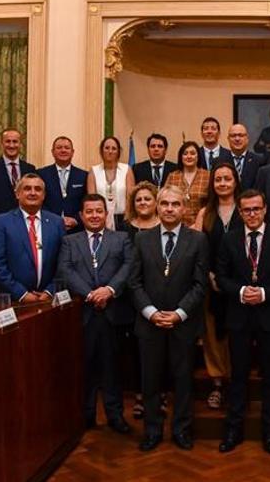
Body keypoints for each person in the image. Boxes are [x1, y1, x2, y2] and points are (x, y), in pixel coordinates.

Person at [128, 185, 209, 452]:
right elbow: (134, 282)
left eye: (175, 204)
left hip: (182, 323)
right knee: (150, 381)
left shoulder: (197, 240)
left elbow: (199, 285)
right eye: (165, 204)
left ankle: (182, 430)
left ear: (184, 209)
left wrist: (178, 314)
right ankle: (152, 431)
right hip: (149, 324)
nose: (170, 209)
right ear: (157, 207)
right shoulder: (142, 239)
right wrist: (151, 313)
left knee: (183, 380)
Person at [215, 189, 270, 454]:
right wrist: (240, 292)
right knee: (237, 377)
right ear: (240, 212)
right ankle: (233, 431)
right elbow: (222, 277)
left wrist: (263, 293)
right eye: (246, 210)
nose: (251, 214)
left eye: (256, 209)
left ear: (264, 210)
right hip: (238, 317)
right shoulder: (228, 240)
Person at [57, 193, 134, 434]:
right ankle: (86, 415)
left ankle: (115, 415)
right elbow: (65, 269)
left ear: (106, 213)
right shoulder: (70, 241)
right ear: (81, 215)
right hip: (84, 313)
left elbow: (128, 267)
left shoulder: (121, 239)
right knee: (85, 367)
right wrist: (91, 294)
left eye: (99, 211)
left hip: (113, 313)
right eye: (89, 211)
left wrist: (109, 291)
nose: (94, 215)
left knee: (113, 368)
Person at [192, 163, 241, 411]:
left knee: (236, 335)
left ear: (235, 182)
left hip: (239, 286)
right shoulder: (205, 213)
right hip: (211, 285)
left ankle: (236, 383)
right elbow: (199, 250)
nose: (222, 183)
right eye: (218, 179)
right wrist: (210, 275)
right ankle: (218, 383)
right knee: (212, 336)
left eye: (227, 179)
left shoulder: (245, 209)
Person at [0, 173, 65, 302]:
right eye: (27, 188)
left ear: (44, 195)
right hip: (12, 300)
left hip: (47, 300)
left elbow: (63, 262)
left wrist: (49, 291)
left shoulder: (56, 222)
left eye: (38, 189)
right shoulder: (1, 222)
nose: (33, 193)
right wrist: (22, 294)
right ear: (17, 194)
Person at [122, 180, 161, 420]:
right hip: (132, 296)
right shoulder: (125, 228)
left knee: (161, 349)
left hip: (161, 296)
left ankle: (161, 395)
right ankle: (140, 395)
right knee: (137, 350)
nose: (143, 202)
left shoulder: (165, 226)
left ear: (156, 202)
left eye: (148, 198)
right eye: (139, 199)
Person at [0, 127, 35, 237]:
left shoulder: (30, 169)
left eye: (15, 141)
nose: (11, 145)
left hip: (24, 226)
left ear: (20, 144)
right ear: (1, 144)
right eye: (8, 141)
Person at [37, 136, 88, 233]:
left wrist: (76, 220)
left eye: (67, 148)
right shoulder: (41, 174)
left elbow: (86, 202)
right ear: (52, 152)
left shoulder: (84, 175)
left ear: (72, 152)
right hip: (48, 227)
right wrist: (54, 220)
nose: (63, 150)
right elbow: (38, 201)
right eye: (59, 148)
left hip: (76, 230)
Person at [87, 136, 134, 230]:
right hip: (100, 219)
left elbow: (131, 196)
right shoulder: (93, 171)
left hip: (123, 218)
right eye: (107, 148)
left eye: (114, 148)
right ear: (101, 151)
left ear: (118, 152)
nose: (110, 151)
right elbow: (92, 199)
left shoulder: (126, 169)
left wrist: (127, 218)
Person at [165, 141, 210, 227]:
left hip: (202, 226)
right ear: (181, 157)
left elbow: (212, 203)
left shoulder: (208, 176)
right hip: (175, 225)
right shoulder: (173, 176)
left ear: (198, 157)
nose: (189, 156)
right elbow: (165, 199)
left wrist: (198, 224)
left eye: (193, 153)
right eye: (185, 154)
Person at [225, 123, 266, 190]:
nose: (237, 139)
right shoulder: (219, 161)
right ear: (228, 139)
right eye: (233, 136)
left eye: (241, 135)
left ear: (247, 138)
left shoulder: (259, 161)